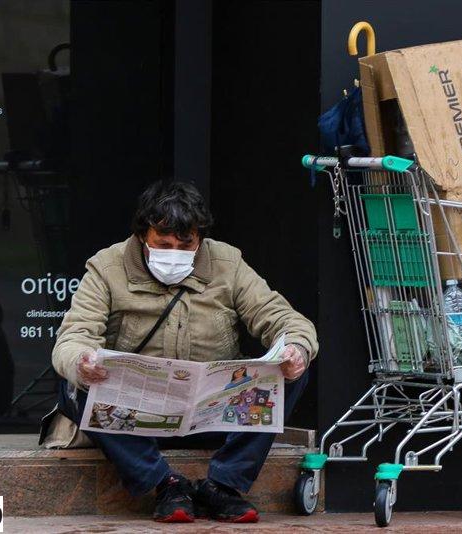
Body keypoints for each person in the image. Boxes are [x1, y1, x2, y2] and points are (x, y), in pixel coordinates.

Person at [51, 181, 318, 523]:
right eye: (163, 243)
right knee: (72, 384)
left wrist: (296, 348)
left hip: (212, 413)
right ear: (142, 236)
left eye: (185, 243)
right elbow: (74, 336)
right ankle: (166, 484)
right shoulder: (107, 267)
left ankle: (222, 486)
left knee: (293, 370)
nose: (174, 252)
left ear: (200, 239)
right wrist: (82, 362)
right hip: (135, 416)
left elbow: (282, 318)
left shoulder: (228, 263)